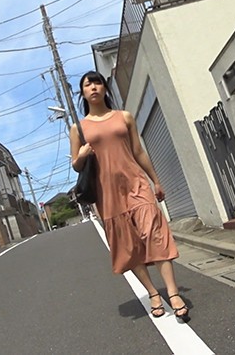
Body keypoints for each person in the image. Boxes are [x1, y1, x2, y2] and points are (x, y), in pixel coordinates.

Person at [69, 71, 189, 323]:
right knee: (128, 246)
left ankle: (173, 293)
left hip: (136, 185)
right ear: (83, 93)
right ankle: (153, 293)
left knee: (154, 234)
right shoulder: (78, 128)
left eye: (97, 82)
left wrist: (156, 180)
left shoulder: (124, 117)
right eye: (88, 85)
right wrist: (82, 155)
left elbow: (138, 151)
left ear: (105, 88)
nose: (93, 87)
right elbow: (76, 165)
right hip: (107, 194)